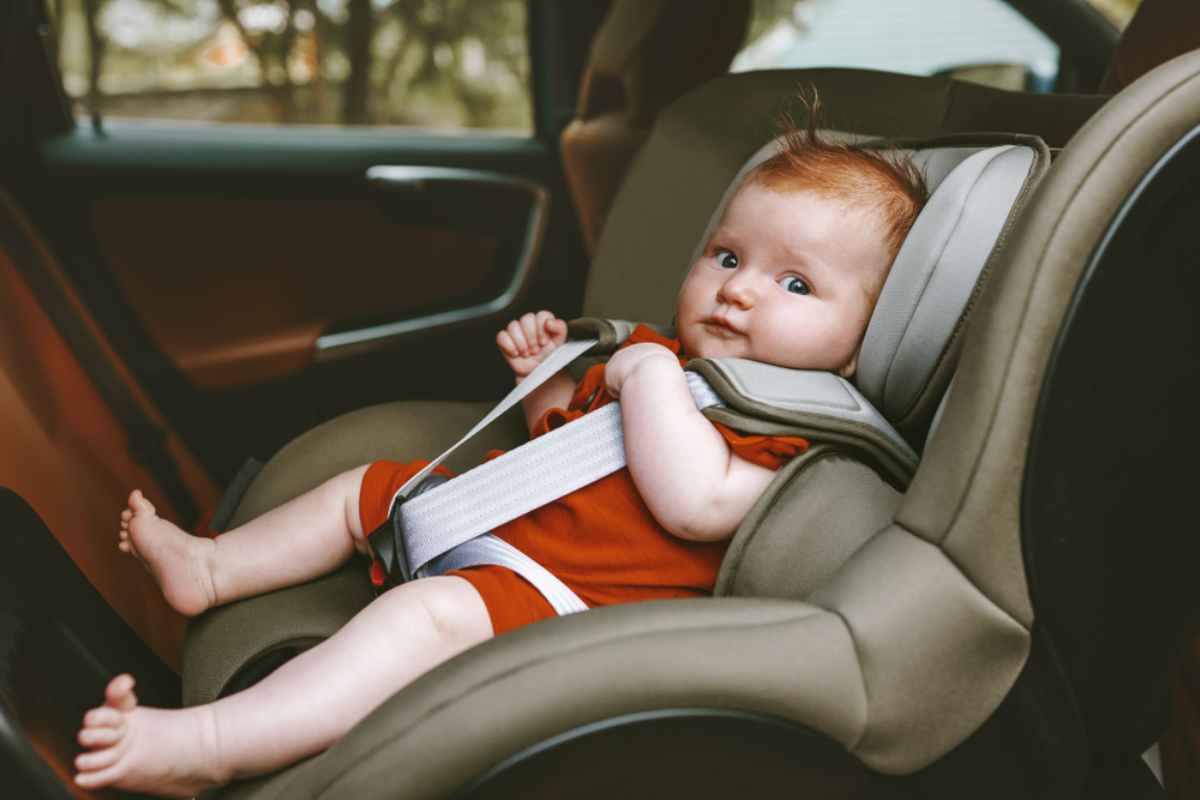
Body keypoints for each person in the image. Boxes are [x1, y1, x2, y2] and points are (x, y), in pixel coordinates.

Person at [73, 121, 927, 797]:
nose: (739, 289)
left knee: (427, 617)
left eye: (796, 284)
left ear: (863, 343)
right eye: (729, 257)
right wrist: (546, 383)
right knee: (361, 492)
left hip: (562, 602)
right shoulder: (675, 360)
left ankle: (210, 746)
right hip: (508, 531)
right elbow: (574, 446)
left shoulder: (797, 439)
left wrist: (649, 375)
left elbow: (693, 501)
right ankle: (214, 568)